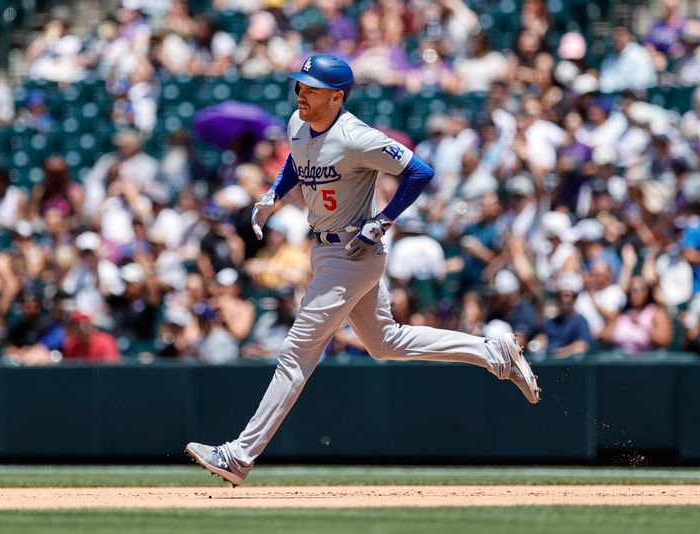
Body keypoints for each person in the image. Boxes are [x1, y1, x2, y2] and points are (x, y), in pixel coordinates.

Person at [185, 54, 540, 487]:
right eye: (300, 86)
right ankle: (494, 354)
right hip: (326, 249)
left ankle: (239, 455)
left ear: (337, 97)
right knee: (385, 342)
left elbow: (419, 171)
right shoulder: (299, 125)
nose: (302, 94)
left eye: (311, 89)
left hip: (352, 252)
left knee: (296, 354)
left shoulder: (356, 136)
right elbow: (298, 162)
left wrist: (384, 219)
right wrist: (274, 194)